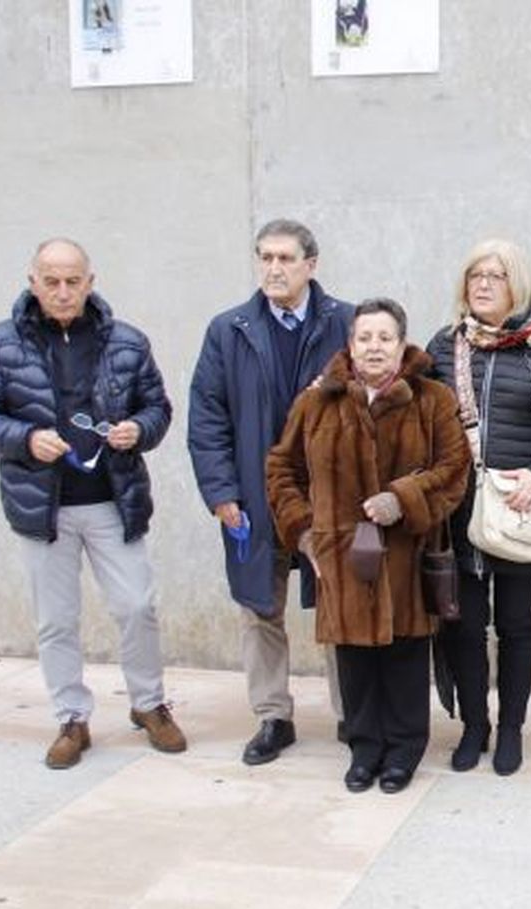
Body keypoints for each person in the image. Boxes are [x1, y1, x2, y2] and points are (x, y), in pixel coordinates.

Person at [0, 238, 186, 768]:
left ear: (90, 281)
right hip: (43, 507)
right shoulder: (0, 343)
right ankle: (71, 718)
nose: (62, 291)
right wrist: (24, 440)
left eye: (72, 281)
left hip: (114, 499)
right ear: (32, 281)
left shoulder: (127, 342)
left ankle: (149, 705)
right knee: (56, 620)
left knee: (136, 606)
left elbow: (158, 407)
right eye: (51, 281)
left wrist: (140, 429)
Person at [265, 298, 470, 793]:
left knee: (404, 658)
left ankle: (403, 751)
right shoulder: (315, 403)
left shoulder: (433, 399)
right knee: (354, 660)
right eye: (364, 338)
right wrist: (306, 534)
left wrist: (403, 499)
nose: (374, 347)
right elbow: (280, 470)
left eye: (384, 338)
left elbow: (454, 471)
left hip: (407, 556)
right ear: (350, 345)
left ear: (402, 345)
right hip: (342, 559)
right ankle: (364, 749)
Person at [189, 219, 352, 767]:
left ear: (312, 264)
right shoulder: (229, 329)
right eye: (265, 257)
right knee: (260, 607)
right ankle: (272, 716)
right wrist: (221, 492)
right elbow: (207, 417)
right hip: (256, 499)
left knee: (341, 602)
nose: (274, 268)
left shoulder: (347, 323)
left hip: (328, 498)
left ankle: (352, 713)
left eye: (285, 258)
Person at [426, 240, 531, 776]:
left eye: (496, 275)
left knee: (516, 623)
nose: (484, 284)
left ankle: (512, 728)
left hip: (518, 510)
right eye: (475, 276)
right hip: (458, 511)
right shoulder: (446, 346)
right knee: (465, 625)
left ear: (518, 283)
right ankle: (475, 725)